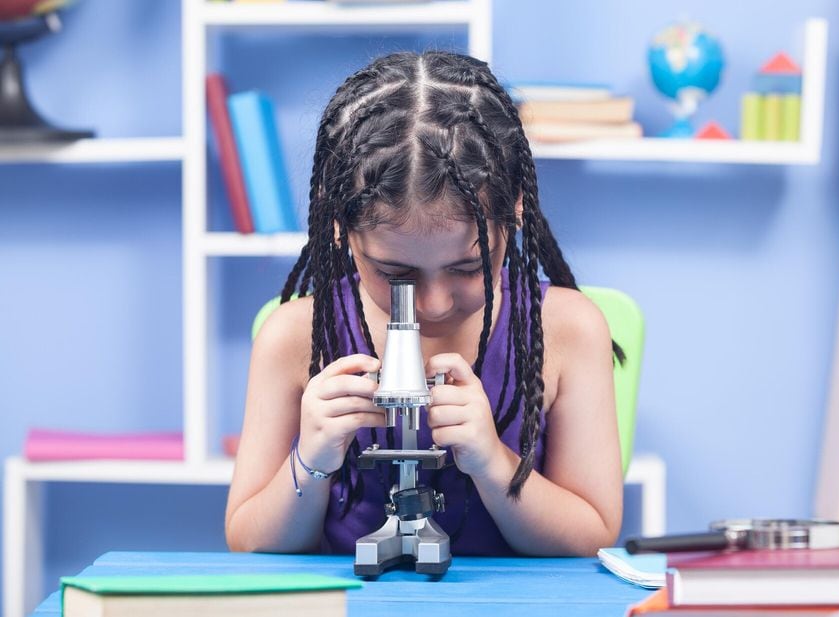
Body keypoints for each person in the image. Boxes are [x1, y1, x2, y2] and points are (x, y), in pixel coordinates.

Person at [225, 50, 622, 558]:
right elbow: (248, 541)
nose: (432, 304)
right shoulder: (292, 337)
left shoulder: (569, 330)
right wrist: (313, 457)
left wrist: (492, 463)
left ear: (516, 208)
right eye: (395, 274)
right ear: (339, 228)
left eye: (467, 267)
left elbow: (593, 536)